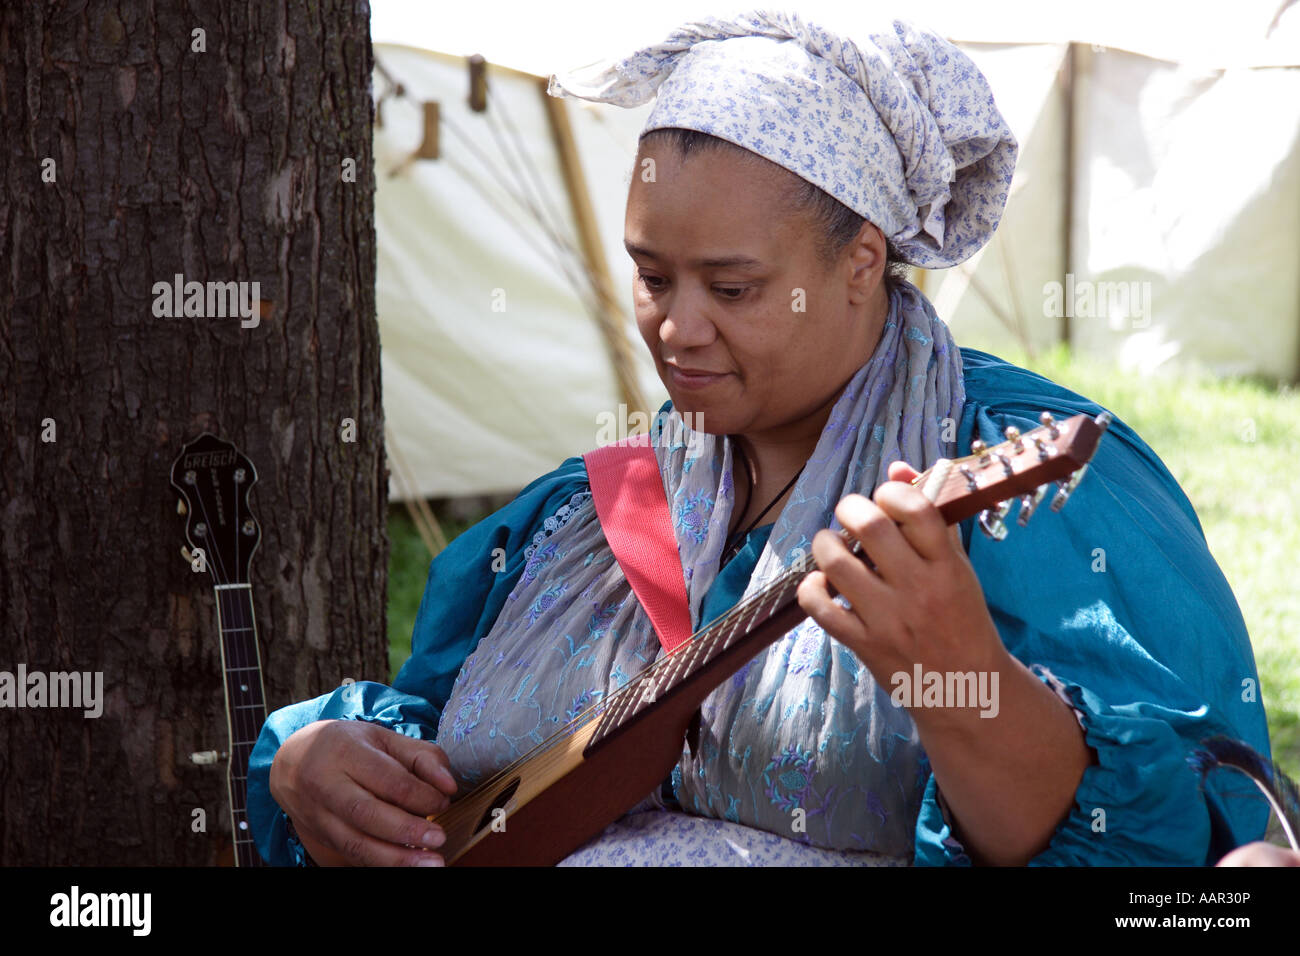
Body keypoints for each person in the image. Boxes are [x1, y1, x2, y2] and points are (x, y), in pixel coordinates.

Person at [248, 10, 1274, 866]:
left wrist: (955, 670)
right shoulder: (585, 517)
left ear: (862, 262)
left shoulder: (1037, 489)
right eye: (652, 276)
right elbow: (441, 756)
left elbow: (1173, 849)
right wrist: (318, 765)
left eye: (731, 288)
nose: (675, 329)